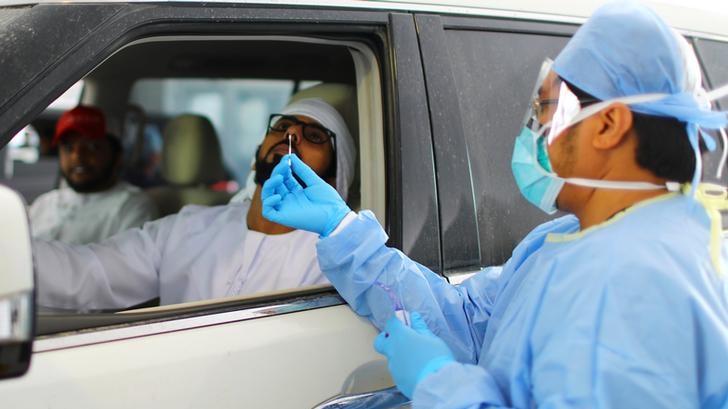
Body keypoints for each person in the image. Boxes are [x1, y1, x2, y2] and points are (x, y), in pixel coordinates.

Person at [261, 1, 728, 407]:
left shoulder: (640, 281)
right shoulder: (566, 242)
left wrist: (438, 382)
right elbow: (463, 321)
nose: (533, 130)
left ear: (608, 126)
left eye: (547, 109)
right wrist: (341, 229)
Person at [34, 98, 356, 311]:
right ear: (259, 151)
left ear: (335, 176)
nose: (292, 136)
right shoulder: (188, 226)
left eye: (314, 136)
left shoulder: (338, 258)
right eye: (282, 127)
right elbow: (89, 273)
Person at [29, 105, 157, 244]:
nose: (77, 156)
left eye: (92, 146)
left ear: (117, 155)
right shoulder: (44, 204)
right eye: (68, 147)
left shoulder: (131, 207)